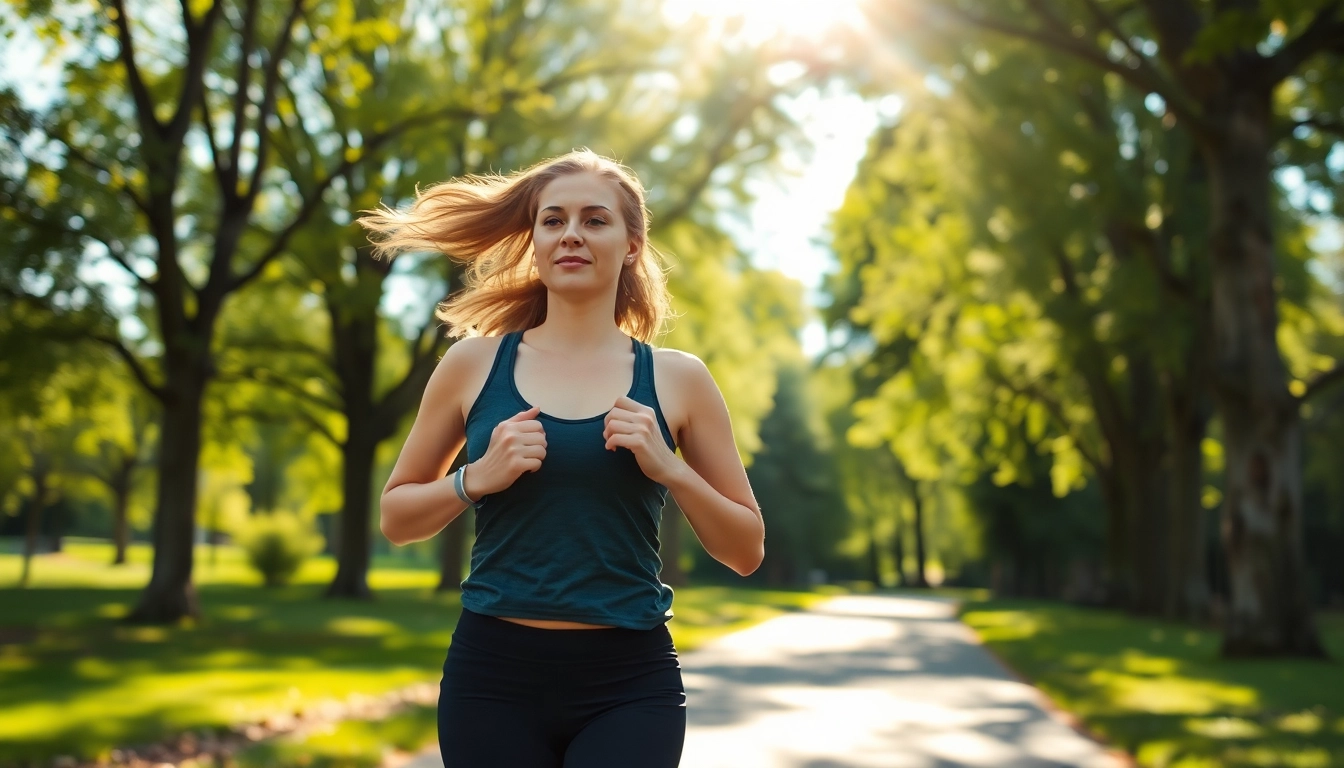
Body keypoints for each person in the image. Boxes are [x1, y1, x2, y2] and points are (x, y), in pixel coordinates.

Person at [358, 149, 766, 768]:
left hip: (630, 683)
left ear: (631, 243)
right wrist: (475, 479)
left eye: (595, 219)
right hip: (491, 679)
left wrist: (670, 467)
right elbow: (396, 518)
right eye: (553, 221)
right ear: (534, 241)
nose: (571, 234)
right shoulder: (472, 365)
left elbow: (745, 550)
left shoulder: (679, 380)